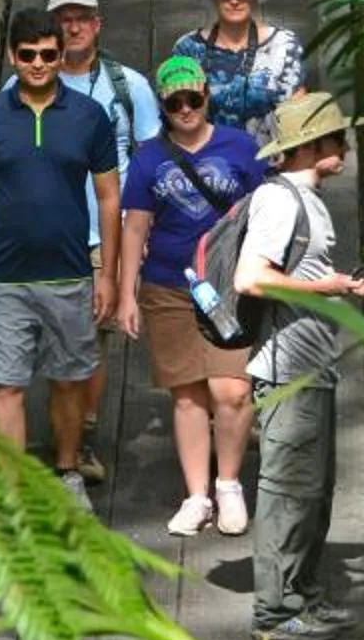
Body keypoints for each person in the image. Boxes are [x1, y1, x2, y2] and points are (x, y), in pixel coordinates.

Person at [0, 10, 126, 510]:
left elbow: (110, 198)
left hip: (70, 272)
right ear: (13, 56)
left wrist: (107, 275)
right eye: (28, 55)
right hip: (5, 276)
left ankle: (67, 472)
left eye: (49, 54)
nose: (39, 64)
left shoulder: (89, 117)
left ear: (60, 54)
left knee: (69, 380)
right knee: (6, 385)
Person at [0, 0, 158, 485]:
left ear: (99, 24)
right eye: (64, 18)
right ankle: (46, 442)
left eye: (83, 17)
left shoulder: (129, 86)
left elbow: (152, 161)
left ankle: (80, 439)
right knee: (37, 339)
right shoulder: (15, 90)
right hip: (34, 240)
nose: (73, 27)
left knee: (91, 344)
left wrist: (144, 231)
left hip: (101, 238)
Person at [235, 90, 364, 640]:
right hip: (286, 368)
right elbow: (251, 278)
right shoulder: (278, 200)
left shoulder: (310, 198)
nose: (343, 144)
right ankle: (275, 611)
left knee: (314, 491)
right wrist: (329, 286)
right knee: (287, 490)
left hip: (311, 363)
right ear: (309, 146)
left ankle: (304, 596)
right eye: (336, 137)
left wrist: (347, 286)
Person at [115, 55, 269, 538]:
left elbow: (265, 212)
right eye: (175, 101)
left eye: (193, 98)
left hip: (229, 285)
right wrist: (126, 293)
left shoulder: (241, 147)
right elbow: (135, 226)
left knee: (232, 389)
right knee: (186, 395)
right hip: (169, 283)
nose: (185, 108)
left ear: (207, 96)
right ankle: (197, 495)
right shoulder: (148, 159)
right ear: (163, 105)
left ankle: (228, 486)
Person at [171, 0, 304, 137]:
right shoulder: (188, 48)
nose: (235, 0)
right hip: (207, 163)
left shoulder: (283, 45)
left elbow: (298, 111)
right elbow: (177, 112)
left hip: (271, 162)